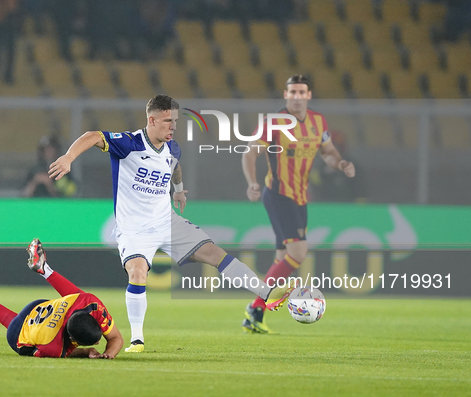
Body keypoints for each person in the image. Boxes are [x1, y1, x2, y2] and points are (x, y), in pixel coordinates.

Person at [48, 94, 275, 353]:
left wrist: (178, 189)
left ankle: (266, 293)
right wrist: (68, 158)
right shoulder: (129, 143)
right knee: (137, 272)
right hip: (134, 228)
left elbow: (174, 165)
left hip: (166, 221)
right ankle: (137, 339)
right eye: (168, 121)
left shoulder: (172, 147)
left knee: (215, 253)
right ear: (152, 119)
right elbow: (92, 135)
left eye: (175, 120)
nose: (173, 126)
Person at [240, 75, 355, 334]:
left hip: (301, 198)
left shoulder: (318, 121)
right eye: (292, 92)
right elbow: (250, 153)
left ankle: (255, 311)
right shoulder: (273, 122)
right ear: (286, 95)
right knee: (299, 253)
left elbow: (328, 152)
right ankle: (255, 305)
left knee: (283, 257)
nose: (296, 96)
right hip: (279, 193)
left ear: (308, 95)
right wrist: (251, 182)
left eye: (301, 92)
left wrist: (341, 164)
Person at [0, 238, 123, 358]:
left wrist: (108, 353)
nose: (98, 341)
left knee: (81, 297)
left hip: (38, 306)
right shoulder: (53, 347)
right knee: (19, 329)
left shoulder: (92, 304)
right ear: (72, 340)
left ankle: (43, 269)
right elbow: (27, 349)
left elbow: (115, 339)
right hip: (19, 333)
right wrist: (86, 351)